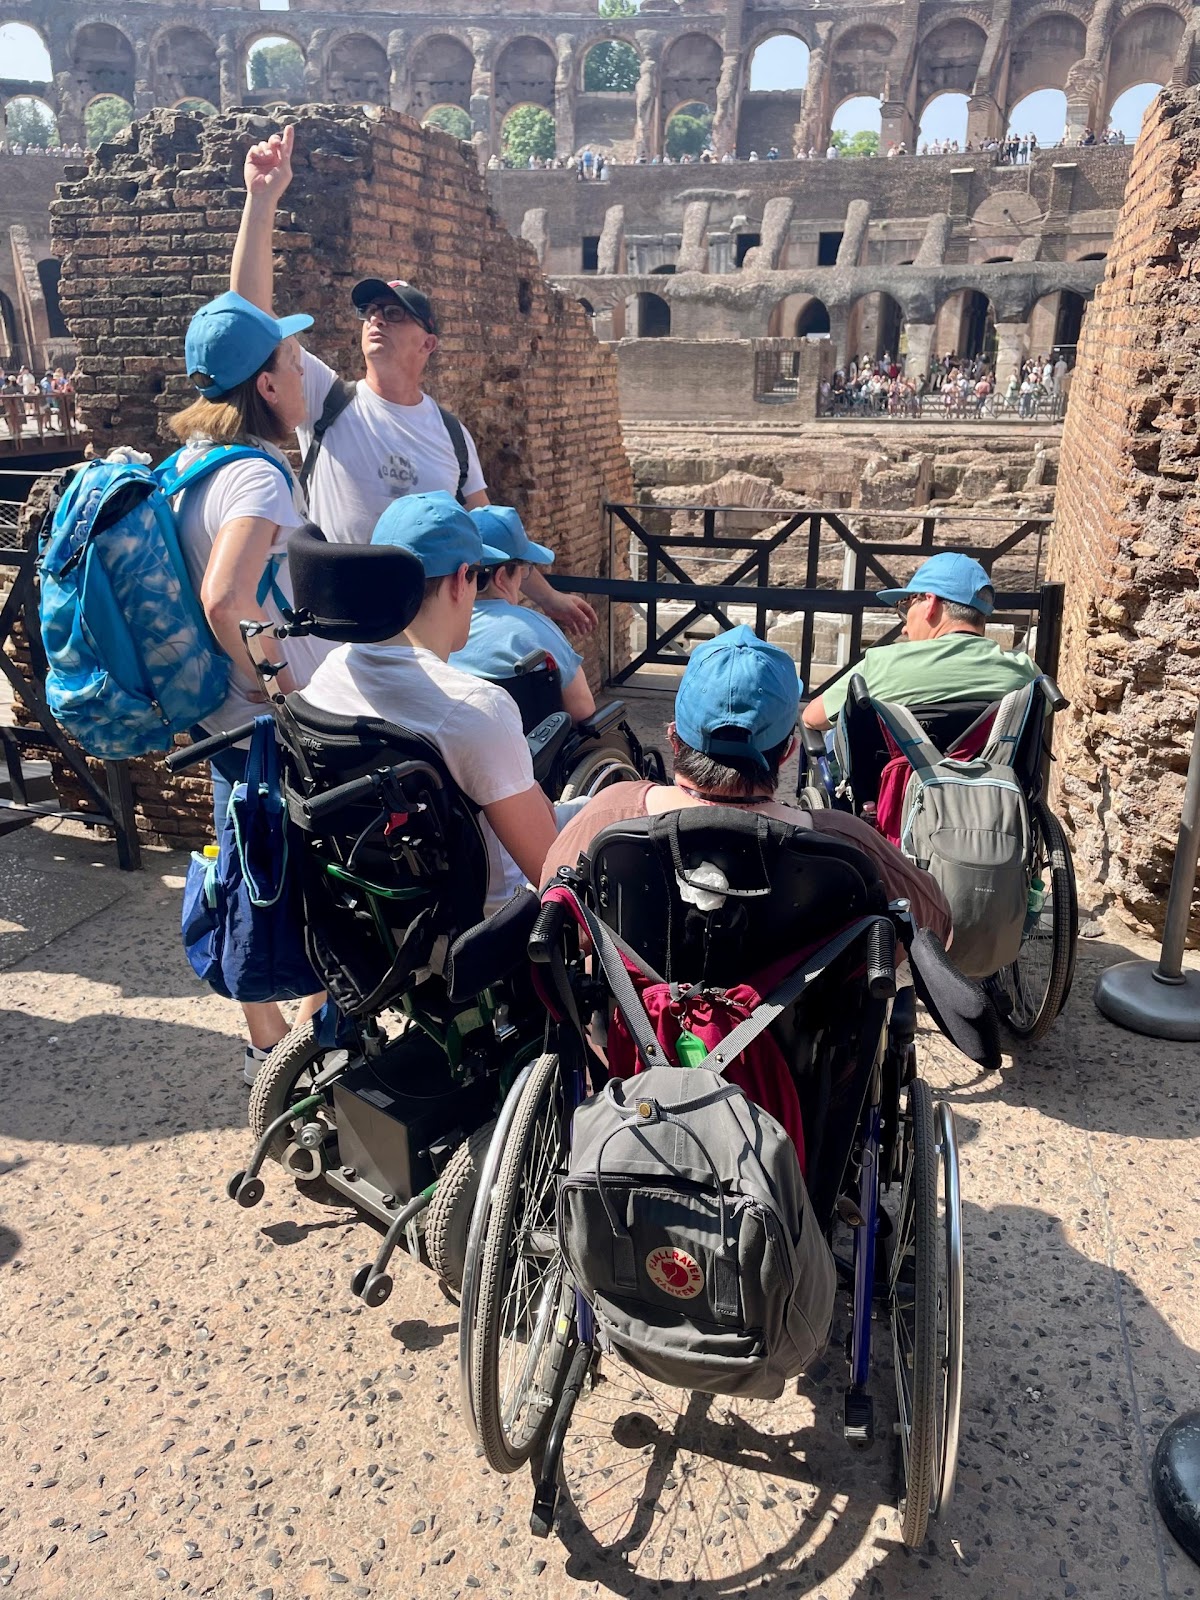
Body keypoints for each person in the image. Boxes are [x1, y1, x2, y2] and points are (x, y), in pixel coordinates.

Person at [229, 124, 597, 640]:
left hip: (420, 641)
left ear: (428, 343)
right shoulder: (327, 400)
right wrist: (261, 201)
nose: (377, 320)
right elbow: (249, 320)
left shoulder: (451, 434)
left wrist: (549, 597)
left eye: (395, 314)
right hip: (336, 630)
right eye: (371, 313)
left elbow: (490, 532)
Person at [541, 627, 951, 942]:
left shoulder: (612, 813)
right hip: (794, 1029)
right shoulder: (843, 840)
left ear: (673, 739)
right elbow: (936, 921)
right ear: (787, 751)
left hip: (639, 1026)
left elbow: (553, 904)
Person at [170, 290, 330, 1083]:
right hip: (268, 724)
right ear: (265, 385)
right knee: (309, 879)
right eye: (293, 362)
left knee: (243, 872)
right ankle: (309, 1041)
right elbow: (226, 597)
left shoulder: (189, 467)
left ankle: (267, 1047)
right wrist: (283, 693)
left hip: (219, 718)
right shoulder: (258, 476)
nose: (302, 375)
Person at [302, 492, 559, 919]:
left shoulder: (329, 673)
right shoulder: (476, 707)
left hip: (366, 914)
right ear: (461, 580)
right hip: (490, 923)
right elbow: (553, 874)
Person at [801, 553, 1039, 733]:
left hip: (898, 785)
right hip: (992, 785)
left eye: (905, 606)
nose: (904, 627)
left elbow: (812, 717)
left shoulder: (883, 664)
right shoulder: (1025, 672)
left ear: (930, 603)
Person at [449, 505, 596, 724]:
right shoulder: (534, 631)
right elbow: (582, 710)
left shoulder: (438, 632)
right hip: (531, 744)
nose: (522, 578)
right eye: (524, 570)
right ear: (501, 577)